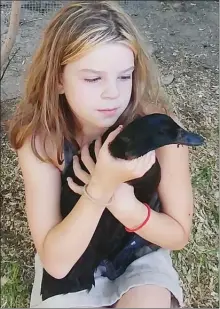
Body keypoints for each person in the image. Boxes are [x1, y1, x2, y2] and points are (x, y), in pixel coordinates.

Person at [6, 1, 194, 308]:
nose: (113, 94)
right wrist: (100, 187)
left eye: (125, 76)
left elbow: (178, 235)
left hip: (139, 251)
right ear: (58, 79)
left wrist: (123, 204)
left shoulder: (160, 131)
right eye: (93, 78)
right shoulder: (42, 141)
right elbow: (56, 262)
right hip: (73, 254)